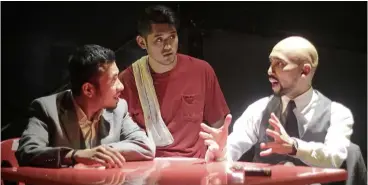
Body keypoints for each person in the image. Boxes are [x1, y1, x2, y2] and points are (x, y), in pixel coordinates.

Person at [200, 36, 354, 168]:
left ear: (305, 71)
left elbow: (335, 157)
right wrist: (221, 152)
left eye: (280, 64)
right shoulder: (259, 108)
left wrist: (295, 147)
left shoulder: (337, 113)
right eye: (270, 63)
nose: (269, 71)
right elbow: (232, 148)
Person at [16, 44, 155, 168]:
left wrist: (100, 152)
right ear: (88, 90)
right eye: (114, 80)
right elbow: (27, 152)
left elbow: (145, 146)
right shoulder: (46, 109)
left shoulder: (118, 109)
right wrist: (75, 155)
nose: (121, 86)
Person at [119, 5, 230, 158]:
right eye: (159, 39)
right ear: (142, 42)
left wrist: (220, 150)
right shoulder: (127, 80)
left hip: (194, 168)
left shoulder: (202, 70)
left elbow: (218, 126)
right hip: (148, 168)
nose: (168, 46)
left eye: (172, 37)